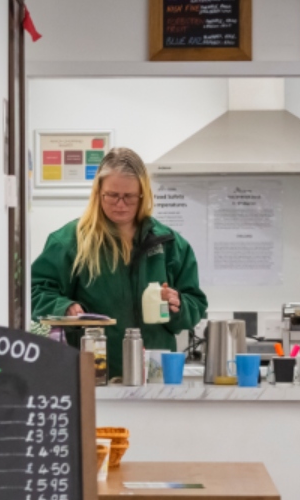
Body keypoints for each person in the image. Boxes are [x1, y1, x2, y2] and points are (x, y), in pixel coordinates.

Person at [30, 147, 208, 379]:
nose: (120, 204)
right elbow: (34, 292)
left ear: (143, 195)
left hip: (154, 378)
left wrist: (178, 304)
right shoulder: (69, 242)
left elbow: (196, 304)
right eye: (112, 195)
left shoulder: (171, 245)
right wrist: (63, 307)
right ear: (98, 193)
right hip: (93, 377)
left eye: (130, 197)